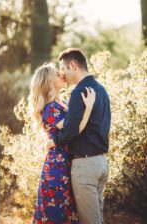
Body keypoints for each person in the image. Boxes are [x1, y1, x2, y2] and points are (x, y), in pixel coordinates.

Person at [47, 48, 111, 224]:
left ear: (73, 65)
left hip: (86, 166)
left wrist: (53, 142)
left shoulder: (79, 92)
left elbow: (70, 130)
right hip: (102, 163)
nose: (63, 74)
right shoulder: (101, 90)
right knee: (97, 218)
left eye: (64, 69)